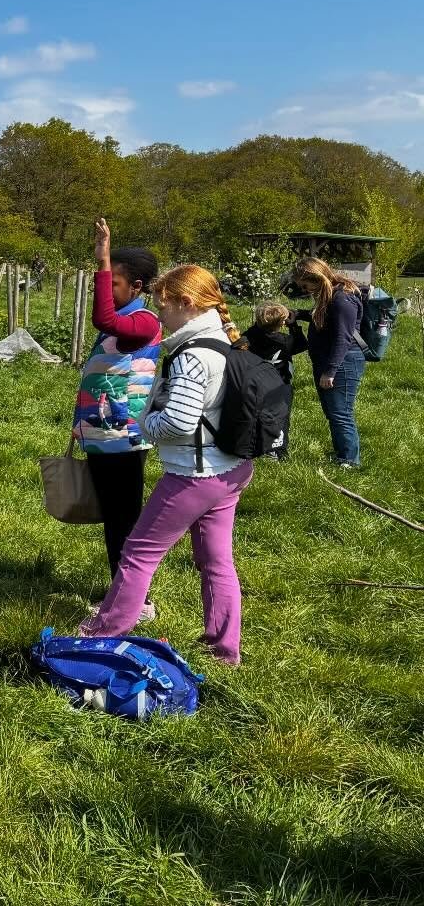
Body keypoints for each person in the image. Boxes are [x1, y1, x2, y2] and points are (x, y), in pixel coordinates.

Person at [80, 264, 254, 666]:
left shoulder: (193, 356)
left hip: (194, 474)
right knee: (216, 560)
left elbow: (178, 421)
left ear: (186, 303)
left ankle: (101, 634)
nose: (160, 314)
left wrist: (142, 422)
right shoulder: (223, 341)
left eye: (164, 306)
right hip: (230, 469)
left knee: (138, 553)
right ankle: (224, 649)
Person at [76, 218, 161, 620]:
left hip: (123, 436)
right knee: (115, 516)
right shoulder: (129, 319)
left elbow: (105, 321)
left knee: (124, 518)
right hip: (104, 434)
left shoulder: (143, 321)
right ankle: (123, 591)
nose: (107, 293)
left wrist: (103, 261)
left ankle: (135, 602)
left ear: (137, 288)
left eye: (114, 285)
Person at [292, 258, 366, 469]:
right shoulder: (329, 295)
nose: (304, 290)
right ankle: (342, 453)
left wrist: (331, 371)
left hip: (343, 362)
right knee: (333, 411)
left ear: (316, 278)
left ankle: (350, 460)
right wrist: (297, 314)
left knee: (341, 412)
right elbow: (322, 318)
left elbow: (343, 338)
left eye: (305, 285)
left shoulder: (342, 298)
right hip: (328, 361)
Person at [242, 301, 307, 460]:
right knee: (281, 417)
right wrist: (294, 326)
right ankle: (278, 450)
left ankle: (253, 445)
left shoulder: (248, 338)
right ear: (282, 323)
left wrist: (256, 326)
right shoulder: (286, 341)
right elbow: (302, 344)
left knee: (253, 415)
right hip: (280, 384)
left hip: (255, 384)